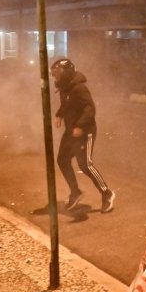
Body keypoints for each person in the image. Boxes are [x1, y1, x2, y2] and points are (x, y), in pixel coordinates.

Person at [50, 58, 115, 213]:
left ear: (66, 73)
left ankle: (107, 193)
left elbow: (90, 108)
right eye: (54, 74)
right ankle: (76, 192)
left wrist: (80, 126)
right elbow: (67, 104)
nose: (55, 77)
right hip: (71, 130)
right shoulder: (65, 87)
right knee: (62, 160)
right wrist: (59, 114)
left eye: (57, 74)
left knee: (85, 165)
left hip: (85, 131)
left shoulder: (79, 88)